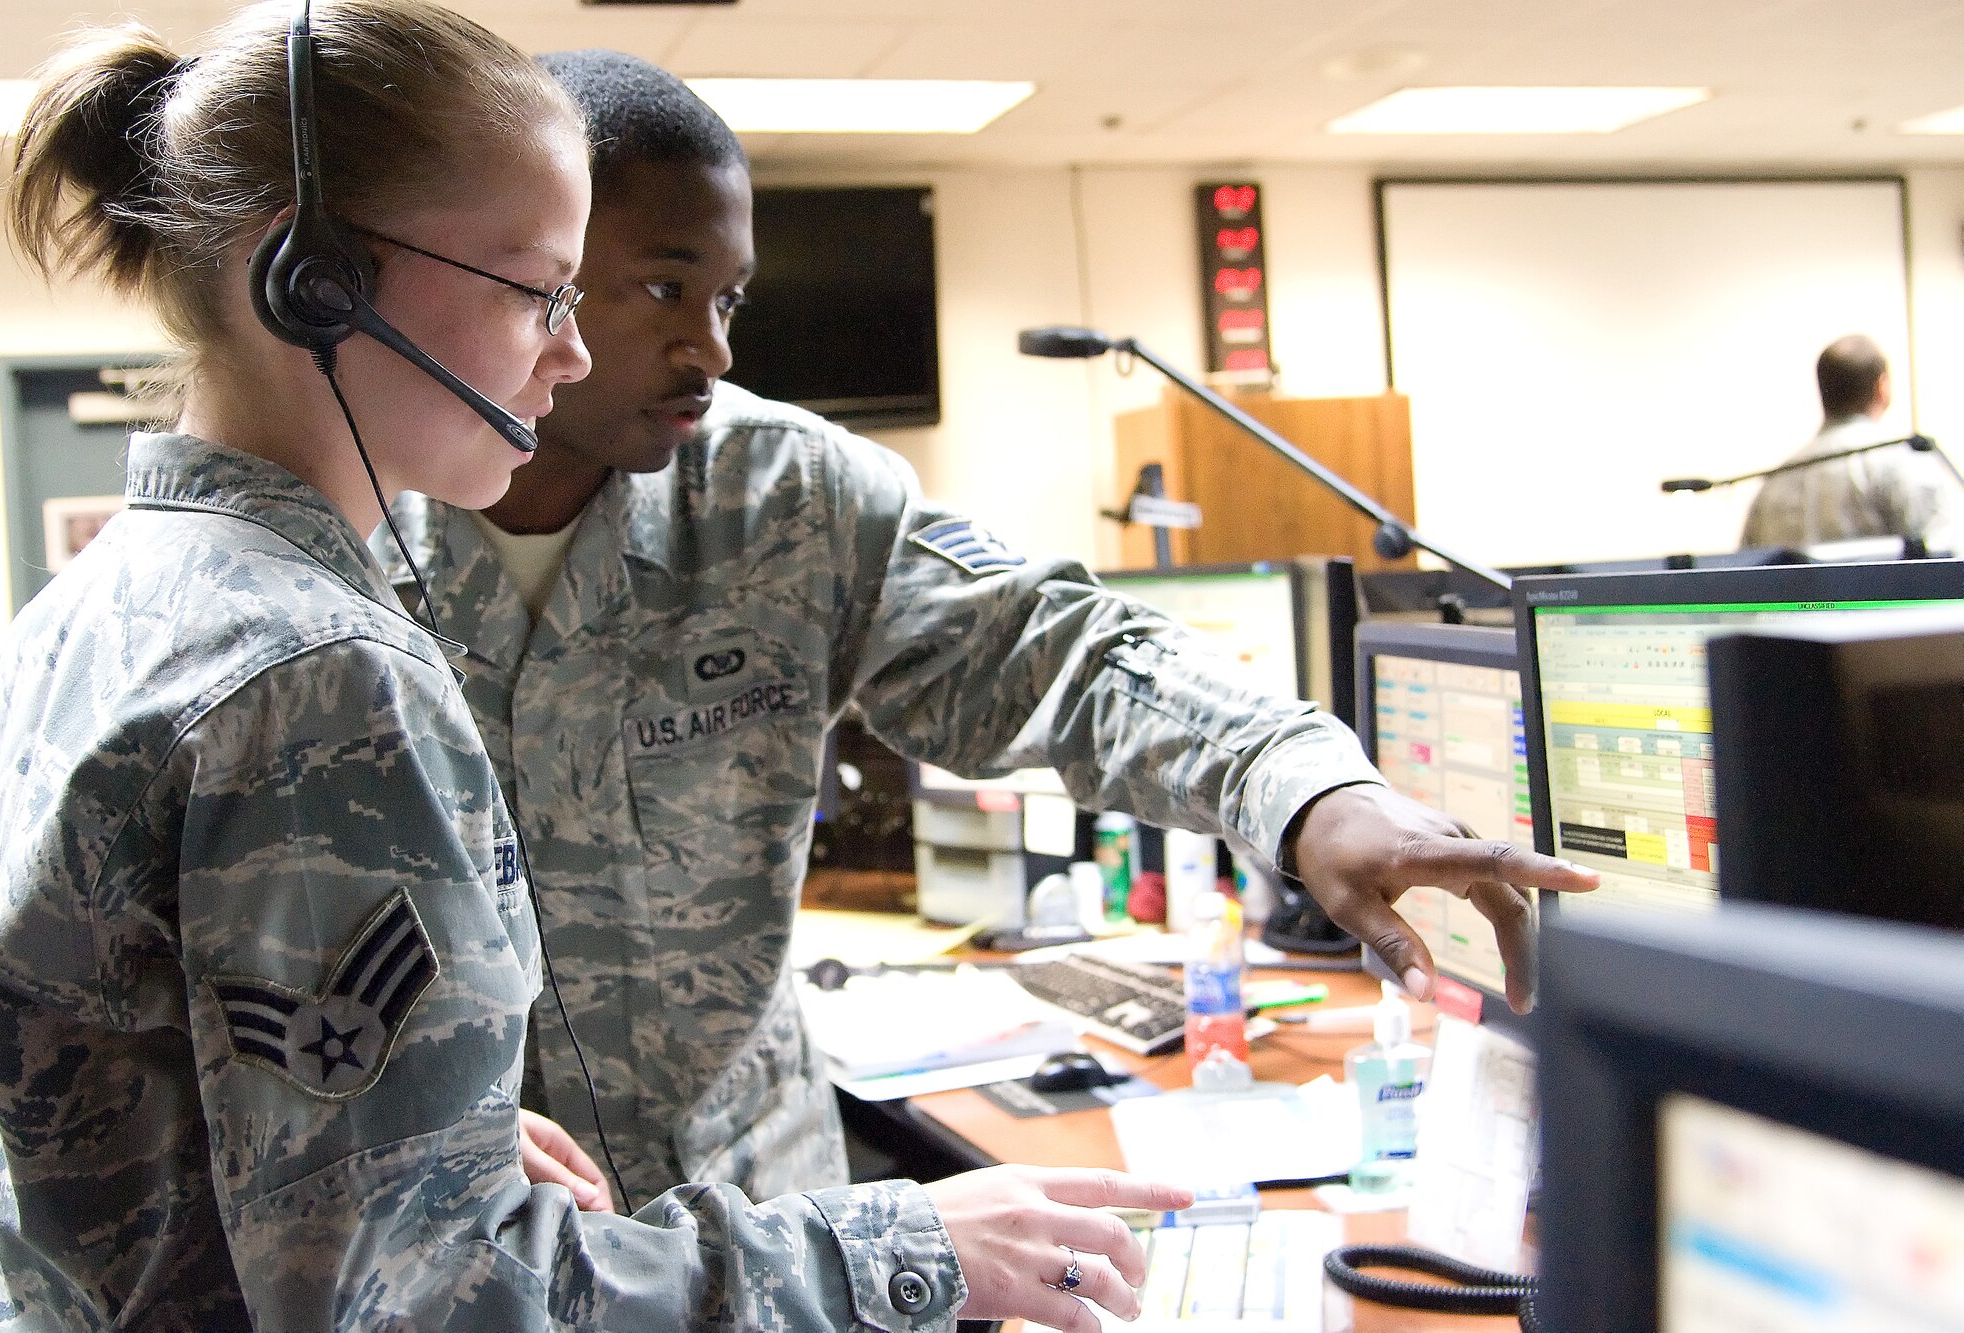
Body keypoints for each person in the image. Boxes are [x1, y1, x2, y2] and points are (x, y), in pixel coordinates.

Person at [0, 6, 1187, 1329]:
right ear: (313, 280)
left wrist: (443, 1149)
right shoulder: (319, 675)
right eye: (536, 291)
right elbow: (441, 1304)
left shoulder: (85, 618)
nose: (574, 348)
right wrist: (904, 1244)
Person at [373, 48, 1599, 1214]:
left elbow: (1055, 650)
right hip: (469, 1247)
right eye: (662, 287)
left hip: (764, 1221)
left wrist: (1303, 787)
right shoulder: (341, 514)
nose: (711, 347)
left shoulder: (787, 499)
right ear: (528, 266)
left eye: (729, 297)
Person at [1741, 334, 1961, 552]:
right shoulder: (1904, 461)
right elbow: (1943, 556)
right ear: (1882, 387)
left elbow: (1748, 572)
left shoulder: (1774, 483)